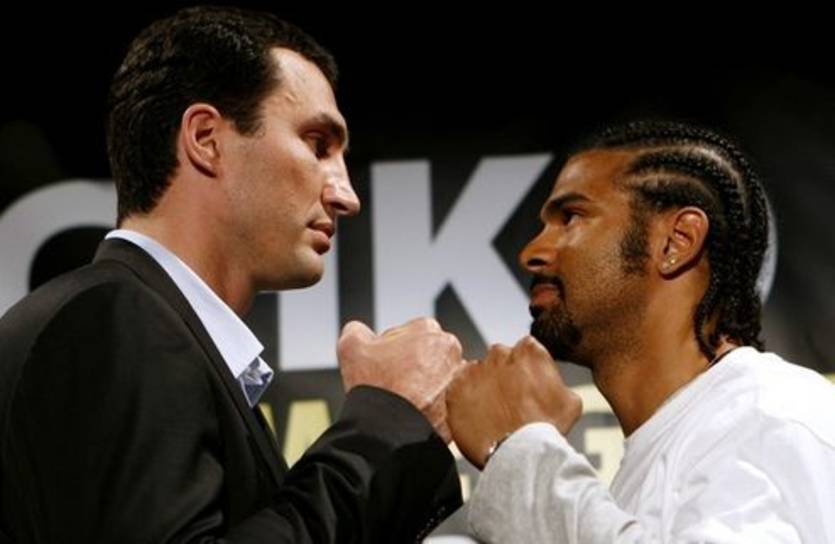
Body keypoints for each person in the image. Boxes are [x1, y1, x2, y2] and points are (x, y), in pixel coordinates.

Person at [0, 6, 463, 542]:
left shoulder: (144, 329)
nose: (346, 195)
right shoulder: (116, 321)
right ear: (206, 139)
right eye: (318, 145)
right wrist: (383, 425)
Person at [446, 120, 835, 543]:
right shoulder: (667, 453)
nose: (531, 253)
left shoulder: (771, 416)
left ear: (677, 241)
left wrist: (519, 446)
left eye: (571, 217)